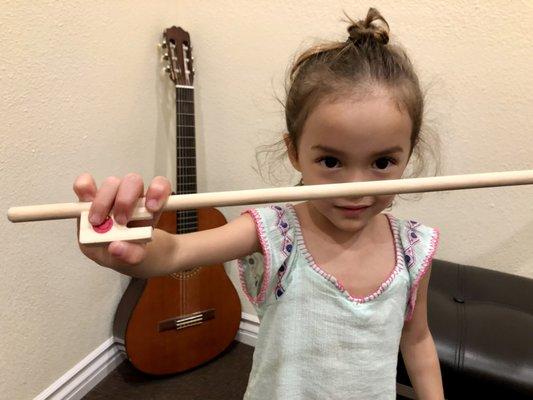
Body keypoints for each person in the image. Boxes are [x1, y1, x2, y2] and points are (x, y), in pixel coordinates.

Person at [74, 8, 444, 400]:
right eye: (331, 161)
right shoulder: (273, 231)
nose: (356, 188)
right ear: (295, 152)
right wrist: (131, 246)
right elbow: (177, 250)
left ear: (408, 156)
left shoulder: (412, 249)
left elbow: (417, 340)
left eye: (382, 162)